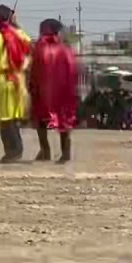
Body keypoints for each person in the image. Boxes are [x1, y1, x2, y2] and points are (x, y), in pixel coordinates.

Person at [0, 4, 32, 163]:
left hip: (0, 83)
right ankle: (14, 150)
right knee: (12, 118)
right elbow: (29, 46)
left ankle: (14, 151)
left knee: (5, 120)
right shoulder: (19, 36)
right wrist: (16, 24)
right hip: (18, 82)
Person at [29, 18, 78, 163]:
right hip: (63, 93)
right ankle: (66, 153)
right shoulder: (66, 49)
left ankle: (45, 151)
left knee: (41, 121)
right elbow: (72, 71)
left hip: (43, 93)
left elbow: (34, 71)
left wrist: (32, 88)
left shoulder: (40, 48)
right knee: (63, 122)